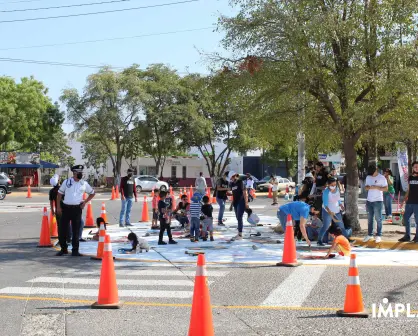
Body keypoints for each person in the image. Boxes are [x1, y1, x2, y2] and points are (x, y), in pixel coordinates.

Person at [56, 165, 95, 256]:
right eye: (78, 173)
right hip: (66, 208)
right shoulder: (67, 182)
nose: (80, 174)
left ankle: (75, 250)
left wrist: (85, 202)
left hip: (77, 209)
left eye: (81, 172)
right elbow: (59, 194)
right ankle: (63, 249)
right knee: (63, 230)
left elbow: (92, 193)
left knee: (76, 231)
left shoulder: (84, 184)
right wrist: (58, 207)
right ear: (74, 173)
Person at [318, 177, 346, 246]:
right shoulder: (326, 192)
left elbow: (338, 199)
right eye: (332, 185)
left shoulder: (337, 190)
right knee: (326, 226)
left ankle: (346, 239)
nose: (334, 186)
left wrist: (341, 205)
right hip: (327, 211)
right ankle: (320, 240)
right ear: (328, 185)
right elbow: (325, 204)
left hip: (336, 211)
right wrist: (329, 212)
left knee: (341, 225)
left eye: (335, 185)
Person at [363, 164, 388, 243]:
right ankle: (370, 234)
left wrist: (377, 187)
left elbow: (386, 189)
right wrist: (369, 187)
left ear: (376, 170)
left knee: (378, 219)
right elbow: (366, 187)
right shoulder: (368, 177)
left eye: (372, 173)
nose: (371, 175)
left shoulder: (382, 178)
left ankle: (379, 235)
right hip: (369, 200)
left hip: (378, 201)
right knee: (370, 219)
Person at [399, 161, 418, 242]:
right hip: (409, 202)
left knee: (417, 221)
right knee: (406, 218)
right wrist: (403, 200)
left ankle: (417, 237)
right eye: (415, 167)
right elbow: (408, 190)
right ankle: (407, 236)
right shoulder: (410, 177)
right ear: (413, 168)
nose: (416, 168)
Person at [229, 171, 249, 240]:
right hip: (235, 203)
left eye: (231, 178)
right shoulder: (232, 184)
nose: (231, 179)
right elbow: (234, 195)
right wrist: (231, 204)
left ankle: (240, 234)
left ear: (234, 176)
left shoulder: (240, 182)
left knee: (239, 217)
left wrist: (246, 203)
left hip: (241, 202)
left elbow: (245, 192)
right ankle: (239, 232)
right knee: (238, 218)